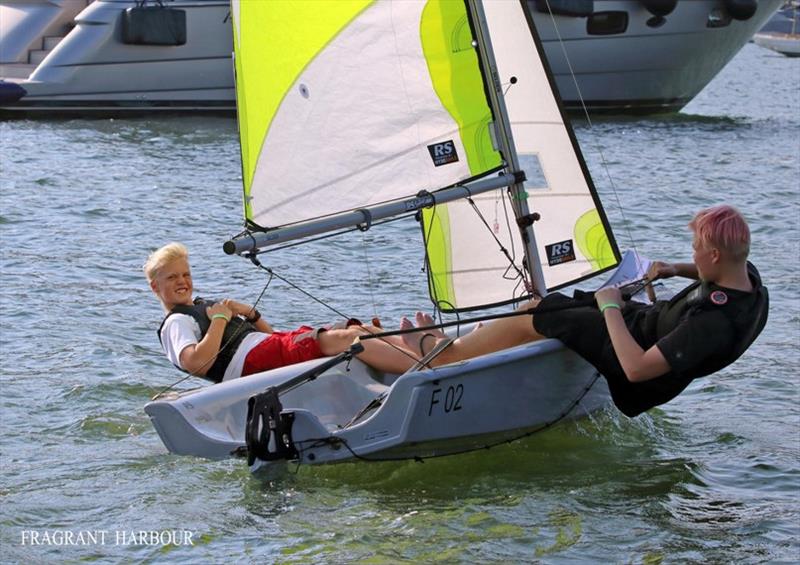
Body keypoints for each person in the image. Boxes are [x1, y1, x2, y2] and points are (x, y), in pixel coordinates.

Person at [414, 205, 768, 417]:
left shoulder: (712, 324)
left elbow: (637, 370)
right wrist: (676, 268)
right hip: (640, 323)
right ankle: (477, 345)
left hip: (633, 352)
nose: (692, 255)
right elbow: (715, 271)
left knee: (534, 315)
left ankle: (445, 356)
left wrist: (611, 307)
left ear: (716, 256)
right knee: (548, 304)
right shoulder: (748, 282)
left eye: (695, 251)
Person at [144, 242, 420, 383]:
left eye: (185, 274)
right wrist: (218, 320)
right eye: (172, 278)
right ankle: (426, 370)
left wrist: (252, 315)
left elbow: (270, 338)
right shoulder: (177, 322)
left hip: (266, 350)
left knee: (359, 330)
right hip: (248, 365)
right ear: (155, 286)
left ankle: (426, 355)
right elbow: (197, 363)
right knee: (348, 340)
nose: (182, 281)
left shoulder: (202, 305)